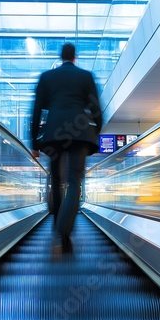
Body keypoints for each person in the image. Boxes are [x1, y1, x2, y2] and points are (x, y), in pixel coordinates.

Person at [31, 42, 102, 250]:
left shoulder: (47, 77)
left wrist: (34, 141)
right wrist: (94, 132)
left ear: (60, 57)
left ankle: (56, 222)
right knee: (74, 181)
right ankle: (65, 228)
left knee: (55, 179)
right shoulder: (86, 76)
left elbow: (36, 111)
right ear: (74, 57)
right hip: (80, 135)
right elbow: (96, 109)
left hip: (54, 134)